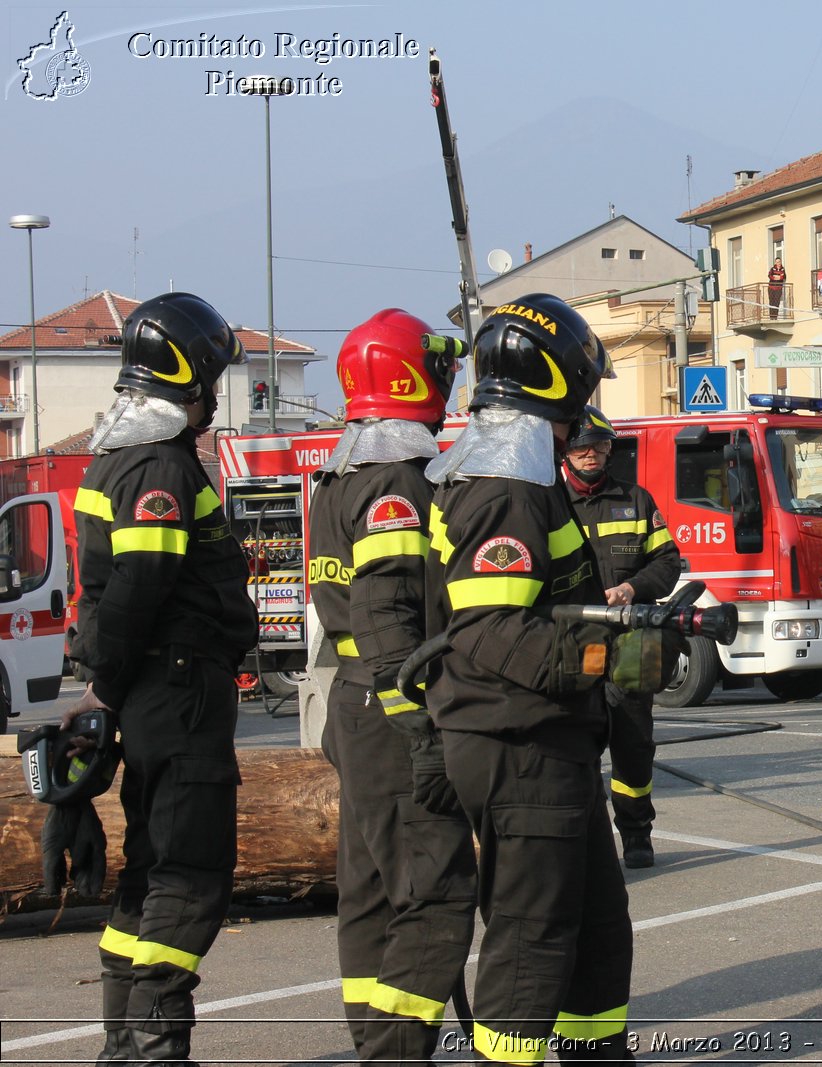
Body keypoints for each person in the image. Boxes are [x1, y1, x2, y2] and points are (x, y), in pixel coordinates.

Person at [424, 293, 635, 1063]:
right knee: (533, 933)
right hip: (519, 739)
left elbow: (544, 605)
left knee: (598, 927)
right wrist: (609, 654)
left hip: (549, 733)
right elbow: (491, 628)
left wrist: (628, 627)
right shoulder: (506, 485)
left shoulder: (512, 471)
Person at [66, 292, 258, 1064]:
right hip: (177, 695)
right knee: (189, 870)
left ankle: (123, 1045)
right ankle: (154, 1049)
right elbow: (140, 585)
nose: (213, 394)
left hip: (151, 693)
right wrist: (107, 687)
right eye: (211, 377)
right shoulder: (160, 464)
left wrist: (104, 688)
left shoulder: (113, 455)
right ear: (187, 379)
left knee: (148, 869)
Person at [306, 309, 476, 1065]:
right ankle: (396, 1051)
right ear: (410, 376)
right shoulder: (398, 486)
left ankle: (379, 1043)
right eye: (436, 363)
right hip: (392, 709)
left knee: (372, 891)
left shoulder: (338, 478)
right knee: (436, 890)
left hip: (354, 700)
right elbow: (385, 616)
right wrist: (422, 726)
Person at [562, 406, 683, 870]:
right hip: (577, 643)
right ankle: (583, 838)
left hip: (631, 642)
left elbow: (668, 563)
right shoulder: (550, 502)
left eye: (601, 445)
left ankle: (636, 833)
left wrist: (633, 588)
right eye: (582, 446)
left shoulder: (635, 500)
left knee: (633, 742)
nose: (592, 453)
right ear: (567, 452)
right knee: (575, 740)